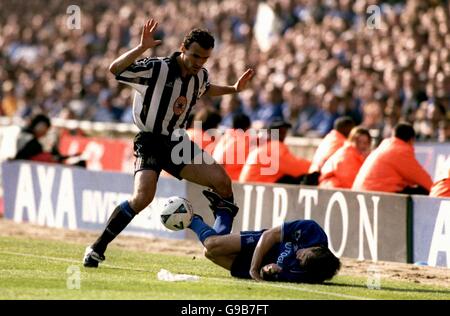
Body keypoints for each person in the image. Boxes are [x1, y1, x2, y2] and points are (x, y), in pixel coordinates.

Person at [83, 19, 255, 267]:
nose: (199, 63)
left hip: (176, 142)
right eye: (195, 56)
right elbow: (115, 69)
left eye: (204, 59)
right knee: (142, 198)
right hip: (150, 140)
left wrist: (234, 89)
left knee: (223, 183)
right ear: (183, 48)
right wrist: (142, 47)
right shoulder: (157, 68)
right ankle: (97, 248)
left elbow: (205, 89)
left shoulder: (199, 76)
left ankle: (220, 242)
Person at [187, 202, 341, 283]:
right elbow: (270, 235)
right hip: (262, 243)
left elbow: (269, 275)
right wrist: (254, 268)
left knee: (210, 253)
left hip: (263, 262)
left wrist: (266, 271)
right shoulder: (311, 230)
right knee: (212, 245)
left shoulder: (308, 273)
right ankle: (189, 218)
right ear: (317, 248)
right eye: (304, 255)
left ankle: (224, 212)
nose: (298, 257)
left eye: (301, 262)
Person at [352, 122, 433, 194]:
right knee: (423, 190)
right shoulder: (400, 151)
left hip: (361, 193)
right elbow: (426, 182)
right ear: (411, 140)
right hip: (379, 196)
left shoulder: (385, 146)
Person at [239, 118, 311, 184]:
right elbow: (297, 167)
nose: (283, 133)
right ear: (270, 133)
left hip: (249, 188)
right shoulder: (274, 147)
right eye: (279, 130)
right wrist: (316, 166)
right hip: (256, 188)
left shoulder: (264, 146)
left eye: (284, 130)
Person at [305, 116, 355, 185]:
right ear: (346, 128)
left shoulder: (329, 138)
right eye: (351, 128)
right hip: (322, 177)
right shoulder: (342, 143)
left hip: (312, 173)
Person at [212, 113, 252, 181]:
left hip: (220, 177)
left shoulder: (224, 138)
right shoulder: (245, 140)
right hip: (235, 181)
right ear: (248, 127)